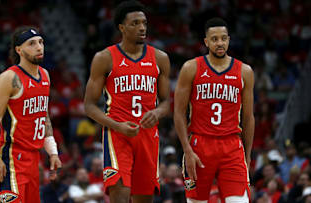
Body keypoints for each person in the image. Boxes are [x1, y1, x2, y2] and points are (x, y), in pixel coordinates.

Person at [83, 1, 170, 203]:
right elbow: (89, 105)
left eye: (144, 23)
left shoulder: (160, 58)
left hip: (148, 135)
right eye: (135, 23)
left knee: (143, 199)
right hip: (117, 135)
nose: (142, 28)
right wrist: (117, 126)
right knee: (120, 195)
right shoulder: (104, 58)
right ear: (121, 27)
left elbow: (166, 103)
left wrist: (157, 113)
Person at [173, 17, 255, 203]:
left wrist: (247, 156)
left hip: (232, 146)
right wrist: (186, 149)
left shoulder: (245, 71)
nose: (220, 43)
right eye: (215, 39)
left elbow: (248, 118)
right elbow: (178, 112)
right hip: (199, 145)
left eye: (224, 38)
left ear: (229, 40)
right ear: (206, 42)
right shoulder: (191, 67)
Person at [0, 26, 62, 203]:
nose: (39, 47)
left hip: (34, 158)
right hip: (12, 158)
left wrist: (53, 152)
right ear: (19, 49)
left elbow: (43, 115)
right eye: (32, 43)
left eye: (41, 42)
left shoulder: (45, 75)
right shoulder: (9, 78)